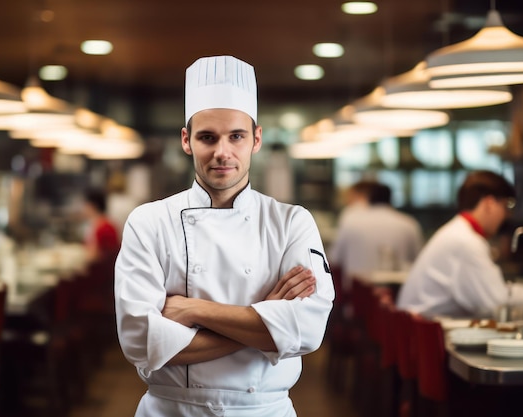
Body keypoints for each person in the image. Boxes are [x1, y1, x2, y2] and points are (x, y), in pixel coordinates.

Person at [114, 55, 334, 417]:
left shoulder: (293, 222)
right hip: (172, 410)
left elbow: (306, 333)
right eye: (207, 137)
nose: (222, 152)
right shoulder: (148, 222)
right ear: (186, 141)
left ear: (256, 139)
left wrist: (192, 309)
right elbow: (139, 342)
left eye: (236, 136)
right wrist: (265, 325)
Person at [396, 170, 523, 319]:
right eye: (506, 206)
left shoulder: (459, 231)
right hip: (419, 334)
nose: (506, 215)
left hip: (415, 328)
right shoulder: (466, 241)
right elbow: (496, 302)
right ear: (489, 203)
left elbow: (492, 296)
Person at [328, 179, 424, 289]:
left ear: (369, 198)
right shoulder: (409, 224)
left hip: (358, 295)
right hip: (398, 293)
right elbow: (418, 262)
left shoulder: (351, 220)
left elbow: (334, 259)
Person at [81, 187, 120, 264]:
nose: (83, 208)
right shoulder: (95, 224)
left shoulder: (105, 227)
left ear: (92, 206)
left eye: (85, 205)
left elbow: (98, 255)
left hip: (102, 271)